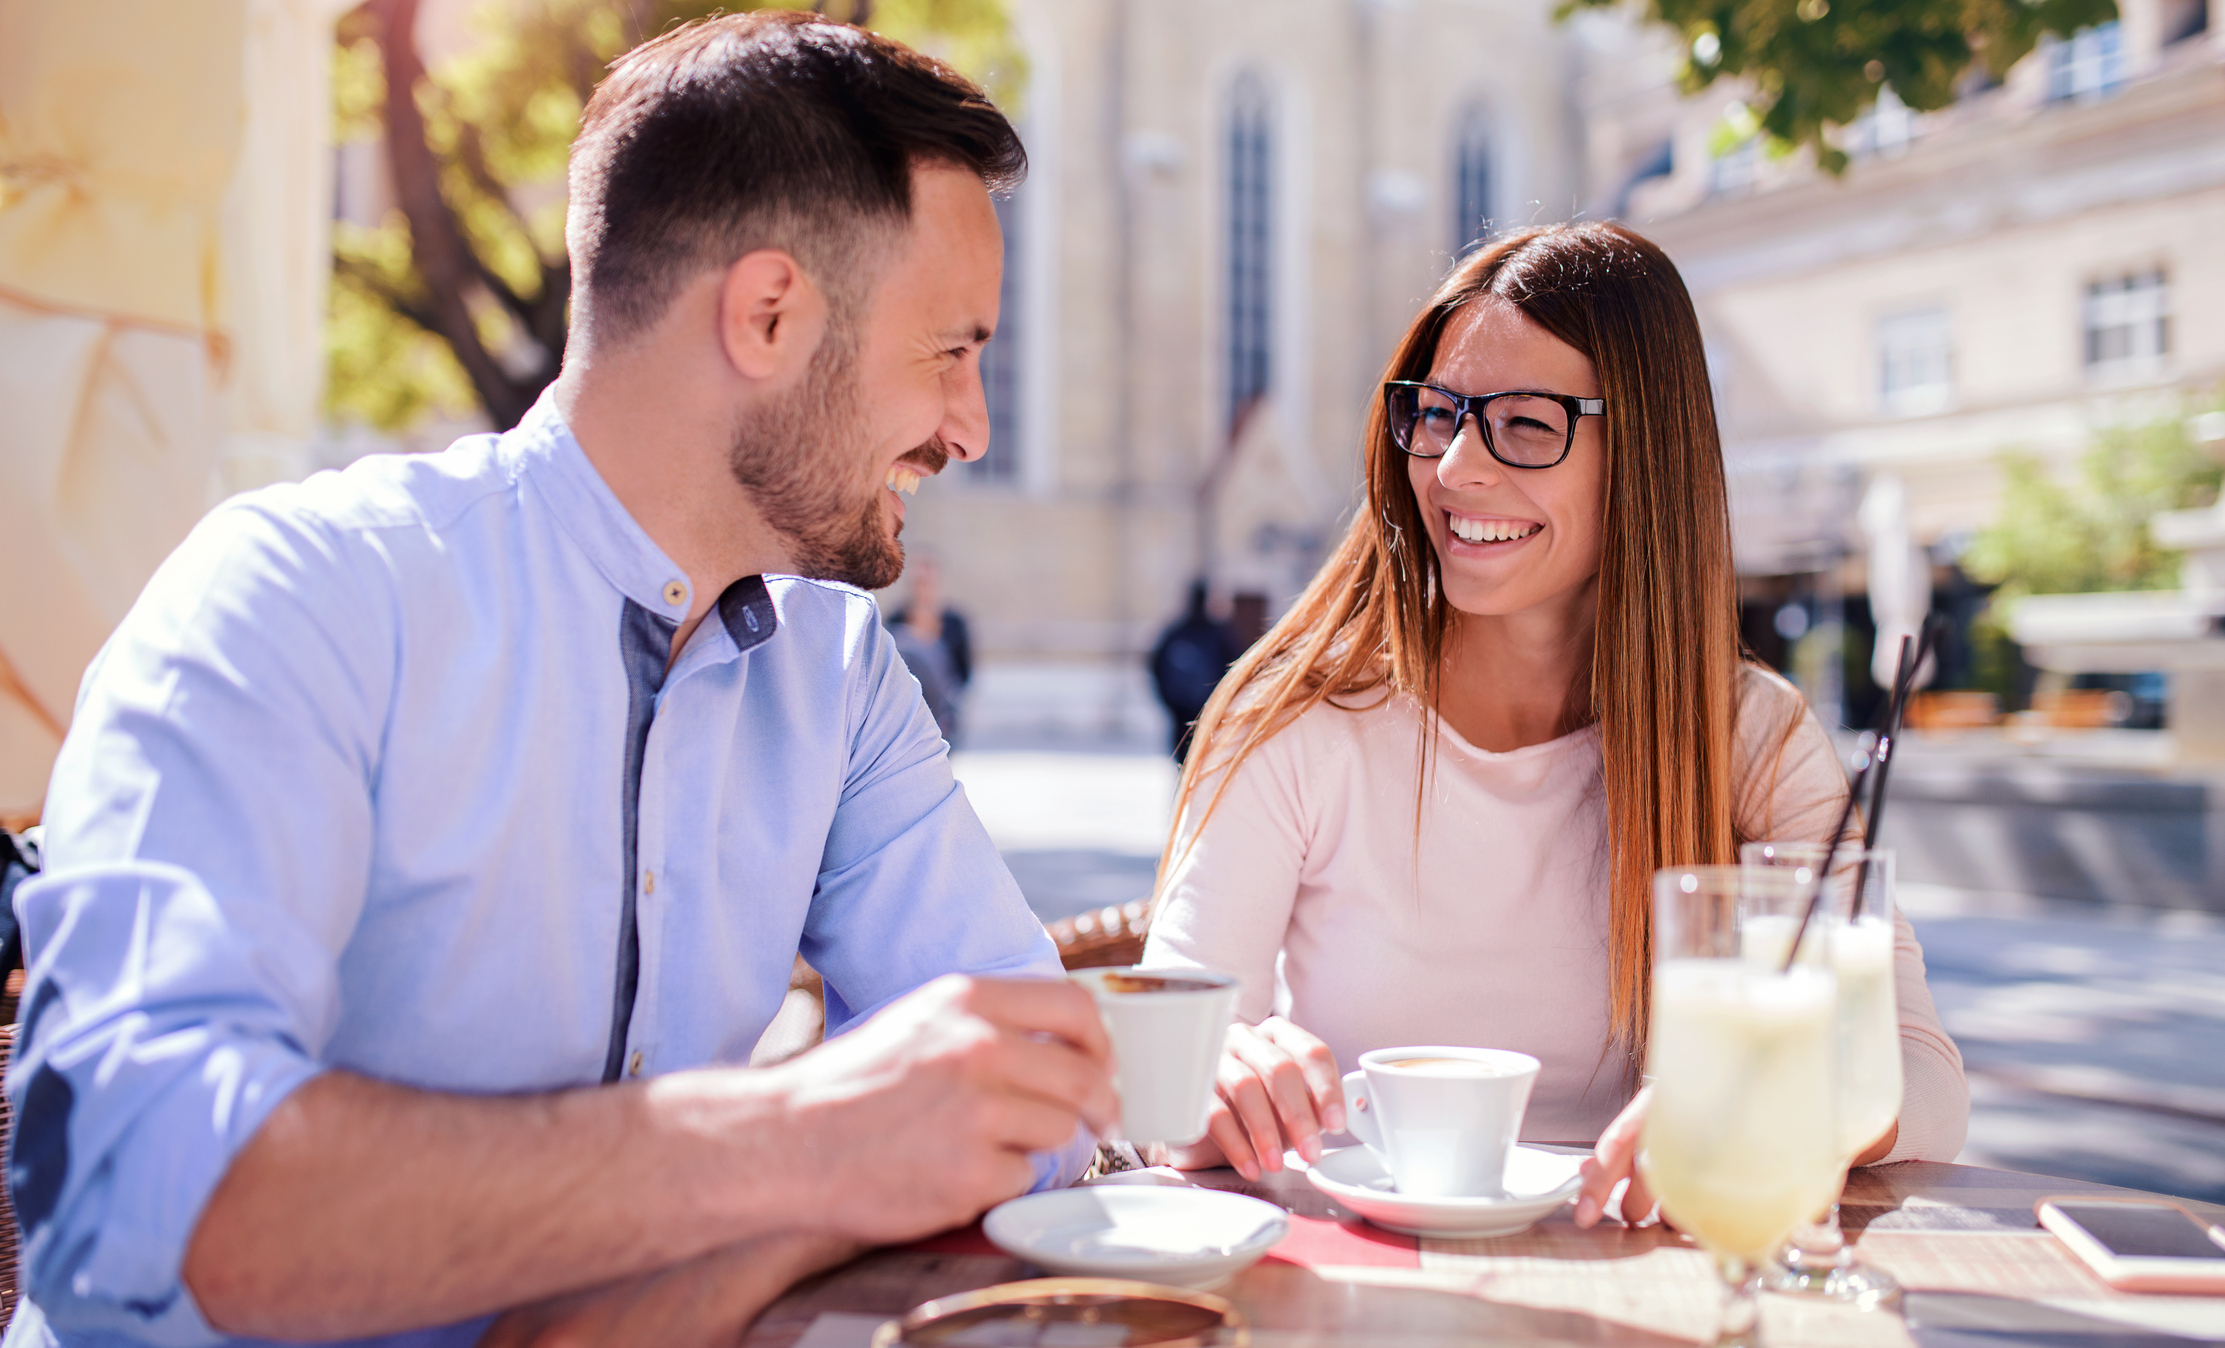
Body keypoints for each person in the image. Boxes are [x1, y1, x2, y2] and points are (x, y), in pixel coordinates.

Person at [7, 15, 1115, 1348]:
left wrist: (704, 1257)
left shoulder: (832, 673)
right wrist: (801, 1137)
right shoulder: (298, 598)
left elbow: (1034, 1091)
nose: (973, 426)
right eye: (950, 352)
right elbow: (153, 1194)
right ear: (767, 315)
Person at [1138, 223, 1968, 1226]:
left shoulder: (1747, 739)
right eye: (1436, 414)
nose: (1452, 469)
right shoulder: (1297, 720)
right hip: (1358, 1283)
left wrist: (1784, 1100)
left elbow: (1918, 1071)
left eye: (1525, 424)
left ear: (1643, 453)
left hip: (1647, 1290)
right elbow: (1160, 1089)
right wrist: (1210, 1071)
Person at [1148, 581, 1241, 762]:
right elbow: (1237, 668)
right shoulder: (1219, 634)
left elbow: (1155, 667)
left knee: (1183, 761)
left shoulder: (1176, 632)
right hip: (1208, 710)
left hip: (1181, 713)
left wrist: (1169, 703)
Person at [888, 554, 972, 742]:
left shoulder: (954, 623)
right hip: (905, 714)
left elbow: (964, 672)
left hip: (943, 715)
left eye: (928, 582)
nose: (923, 589)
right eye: (919, 582)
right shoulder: (895, 621)